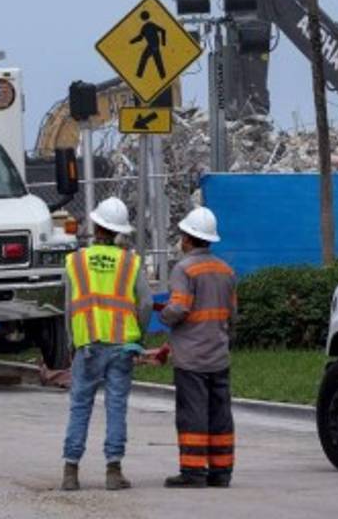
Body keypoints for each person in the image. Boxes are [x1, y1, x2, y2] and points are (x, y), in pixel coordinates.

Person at [60, 197, 152, 492]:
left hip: (86, 345)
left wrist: (71, 342)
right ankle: (113, 471)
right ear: (118, 232)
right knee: (116, 407)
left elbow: (69, 307)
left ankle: (70, 472)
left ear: (95, 224)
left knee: (79, 407)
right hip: (121, 346)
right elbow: (147, 302)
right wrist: (139, 337)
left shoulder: (76, 261)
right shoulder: (130, 262)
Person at [160, 207, 238, 488]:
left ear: (189, 239)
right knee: (220, 414)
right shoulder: (225, 270)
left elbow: (179, 307)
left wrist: (164, 315)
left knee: (192, 413)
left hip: (192, 358)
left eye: (183, 235)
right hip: (218, 354)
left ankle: (193, 471)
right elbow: (231, 313)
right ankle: (221, 471)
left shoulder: (184, 269)